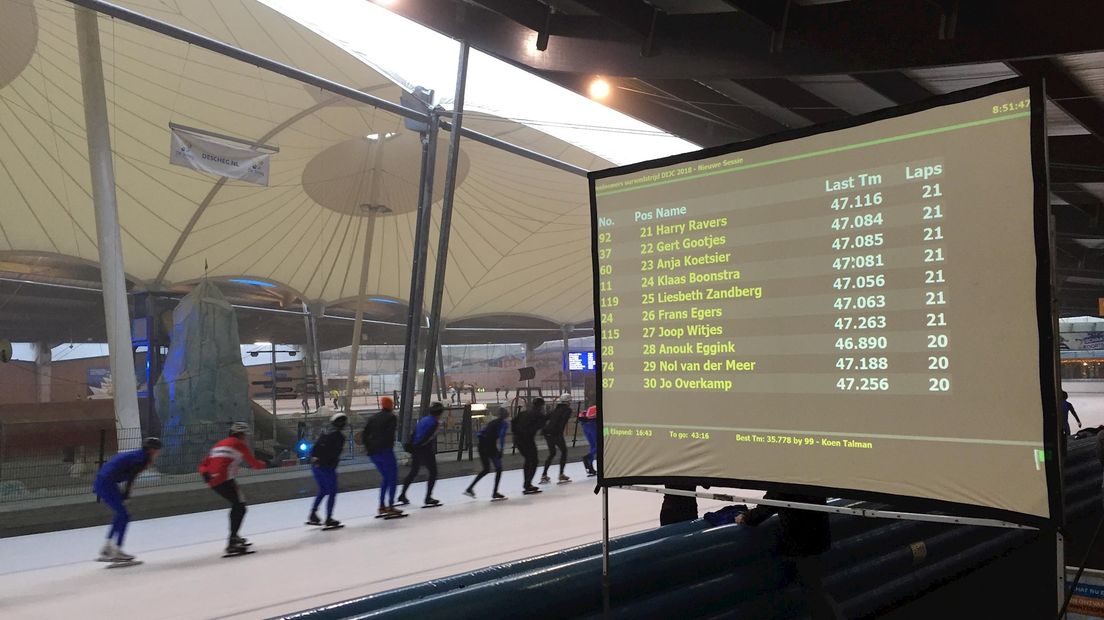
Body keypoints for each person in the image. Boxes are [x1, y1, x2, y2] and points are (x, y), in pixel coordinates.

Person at [737, 493, 844, 620]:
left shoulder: (784, 482)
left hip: (802, 543)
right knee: (816, 590)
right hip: (818, 538)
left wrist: (747, 517)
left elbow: (769, 505)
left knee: (815, 593)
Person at [199, 421, 267, 554]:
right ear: (240, 435)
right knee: (240, 507)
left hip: (215, 479)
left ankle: (234, 537)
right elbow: (254, 464)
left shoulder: (219, 444)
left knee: (238, 505)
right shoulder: (239, 444)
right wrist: (268, 464)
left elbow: (203, 464)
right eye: (245, 435)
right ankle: (232, 541)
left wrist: (204, 473)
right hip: (224, 479)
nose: (246, 438)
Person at [93, 437, 161, 562]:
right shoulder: (142, 459)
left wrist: (125, 494)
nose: (159, 454)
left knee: (121, 514)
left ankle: (108, 547)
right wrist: (126, 495)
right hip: (107, 483)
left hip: (103, 481)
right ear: (152, 450)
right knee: (124, 515)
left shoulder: (137, 455)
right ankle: (116, 549)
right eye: (158, 451)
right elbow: (131, 477)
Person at [398, 402, 445, 507]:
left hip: (416, 447)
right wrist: (420, 446)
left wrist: (412, 446)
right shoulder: (435, 423)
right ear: (439, 413)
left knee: (413, 472)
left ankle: (402, 494)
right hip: (424, 449)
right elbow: (427, 437)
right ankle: (428, 497)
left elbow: (414, 432)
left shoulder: (424, 419)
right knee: (433, 472)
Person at [363, 396, 404, 517]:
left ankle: (381, 506)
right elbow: (388, 434)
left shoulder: (373, 418)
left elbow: (365, 435)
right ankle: (390, 506)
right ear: (390, 405)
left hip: (374, 453)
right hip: (385, 451)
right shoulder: (391, 418)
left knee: (385, 478)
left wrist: (370, 448)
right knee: (392, 478)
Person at [307, 411, 347, 528]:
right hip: (327, 467)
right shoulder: (339, 437)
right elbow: (334, 453)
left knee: (323, 490)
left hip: (316, 465)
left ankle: (313, 513)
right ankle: (329, 517)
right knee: (332, 492)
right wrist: (331, 465)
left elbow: (315, 449)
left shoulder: (325, 433)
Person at [464, 407, 509, 500]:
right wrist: (501, 450)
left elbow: (479, 433)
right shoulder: (504, 423)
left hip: (481, 445)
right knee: (499, 469)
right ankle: (495, 492)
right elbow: (501, 436)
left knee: (486, 469)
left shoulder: (491, 422)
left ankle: (469, 488)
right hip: (490, 446)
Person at [513, 397, 547, 494]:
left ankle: (527, 483)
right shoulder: (538, 415)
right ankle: (527, 484)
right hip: (527, 439)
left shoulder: (524, 413)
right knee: (534, 461)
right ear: (541, 406)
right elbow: (540, 425)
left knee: (528, 460)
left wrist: (516, 434)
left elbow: (514, 422)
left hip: (518, 439)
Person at [540, 394, 573, 484]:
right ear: (567, 402)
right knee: (564, 451)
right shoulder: (568, 410)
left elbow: (545, 418)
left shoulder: (555, 409)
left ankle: (544, 475)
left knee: (552, 453)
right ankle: (561, 474)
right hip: (556, 433)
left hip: (547, 433)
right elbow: (562, 420)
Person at [1062, 389, 1082, 458]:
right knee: (1067, 438)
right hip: (1065, 424)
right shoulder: (1068, 404)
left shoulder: (1057, 404)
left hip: (1060, 424)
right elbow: (1074, 413)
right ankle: (1066, 452)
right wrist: (1078, 421)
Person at [580, 404, 598, 476]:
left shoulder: (591, 408)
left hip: (586, 426)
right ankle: (588, 457)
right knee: (598, 446)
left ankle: (590, 468)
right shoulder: (598, 407)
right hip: (593, 425)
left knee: (593, 446)